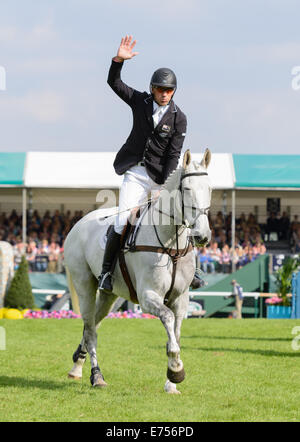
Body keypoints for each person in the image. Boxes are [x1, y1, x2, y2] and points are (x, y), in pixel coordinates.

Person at [98, 35, 190, 292]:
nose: (165, 94)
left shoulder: (179, 118)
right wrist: (118, 60)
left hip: (161, 177)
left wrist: (166, 185)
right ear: (153, 89)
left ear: (174, 91)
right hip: (136, 174)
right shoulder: (140, 101)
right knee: (121, 221)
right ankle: (106, 273)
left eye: (169, 90)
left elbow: (174, 154)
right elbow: (114, 83)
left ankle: (192, 271)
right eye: (161, 89)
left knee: (184, 218)